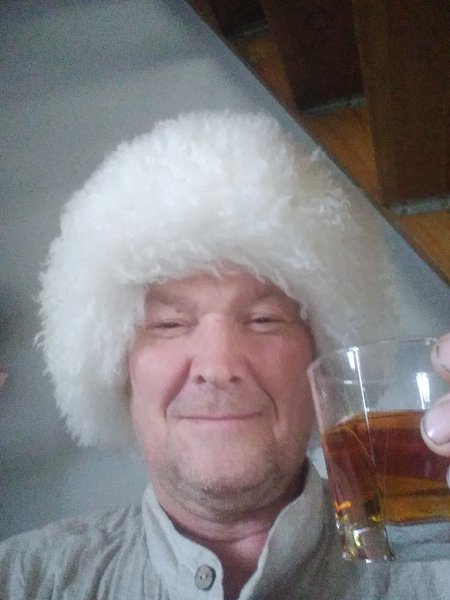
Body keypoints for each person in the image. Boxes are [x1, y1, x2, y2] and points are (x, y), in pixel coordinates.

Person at [0, 112, 449, 599]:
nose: (218, 367)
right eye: (170, 324)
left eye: (264, 320)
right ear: (118, 371)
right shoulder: (26, 578)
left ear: (322, 361)